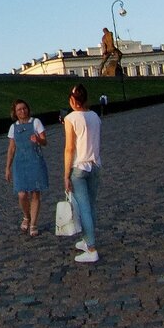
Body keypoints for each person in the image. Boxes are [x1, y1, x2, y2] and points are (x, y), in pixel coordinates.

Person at [63, 83, 103, 264]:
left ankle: (92, 248)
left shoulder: (71, 118)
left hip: (79, 167)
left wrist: (66, 174)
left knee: (83, 207)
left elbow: (69, 149)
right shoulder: (95, 116)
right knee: (91, 206)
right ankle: (87, 240)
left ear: (72, 100)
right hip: (95, 164)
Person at [5, 98, 49, 236]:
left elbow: (45, 141)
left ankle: (33, 223)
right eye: (19, 109)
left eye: (24, 108)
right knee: (22, 194)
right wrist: (8, 167)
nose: (22, 111)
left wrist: (38, 139)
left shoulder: (36, 122)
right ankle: (26, 216)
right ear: (15, 112)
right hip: (20, 162)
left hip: (35, 160)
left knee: (35, 193)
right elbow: (12, 148)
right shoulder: (13, 127)